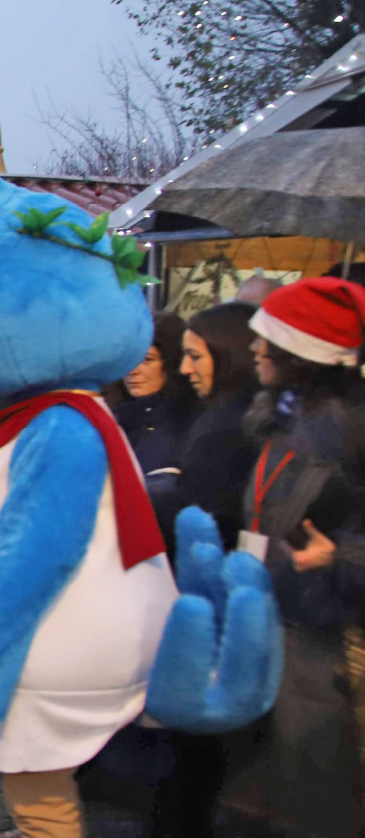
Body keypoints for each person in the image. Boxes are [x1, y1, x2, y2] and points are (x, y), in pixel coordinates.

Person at [213, 278, 365, 837]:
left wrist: (340, 559)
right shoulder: (276, 419)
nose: (254, 350)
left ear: (302, 353)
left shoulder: (351, 430)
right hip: (270, 622)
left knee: (316, 796)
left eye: (267, 340)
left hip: (324, 643)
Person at [143, 302, 261, 549]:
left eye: (195, 356)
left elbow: (197, 514)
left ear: (230, 355)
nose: (185, 368)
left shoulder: (224, 430)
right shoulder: (251, 415)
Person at [107, 312, 197, 476]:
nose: (133, 371)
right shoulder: (114, 418)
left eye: (147, 360)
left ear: (173, 362)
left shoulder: (188, 425)